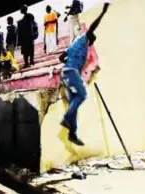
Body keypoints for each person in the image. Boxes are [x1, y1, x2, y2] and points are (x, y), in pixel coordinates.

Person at [58, 3, 110, 146]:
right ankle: (66, 119)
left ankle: (72, 134)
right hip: (72, 72)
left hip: (66, 73)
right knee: (82, 95)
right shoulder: (83, 41)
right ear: (90, 38)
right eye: (92, 41)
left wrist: (72, 59)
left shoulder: (73, 46)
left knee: (73, 104)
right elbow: (93, 27)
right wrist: (103, 13)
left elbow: (61, 58)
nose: (92, 43)